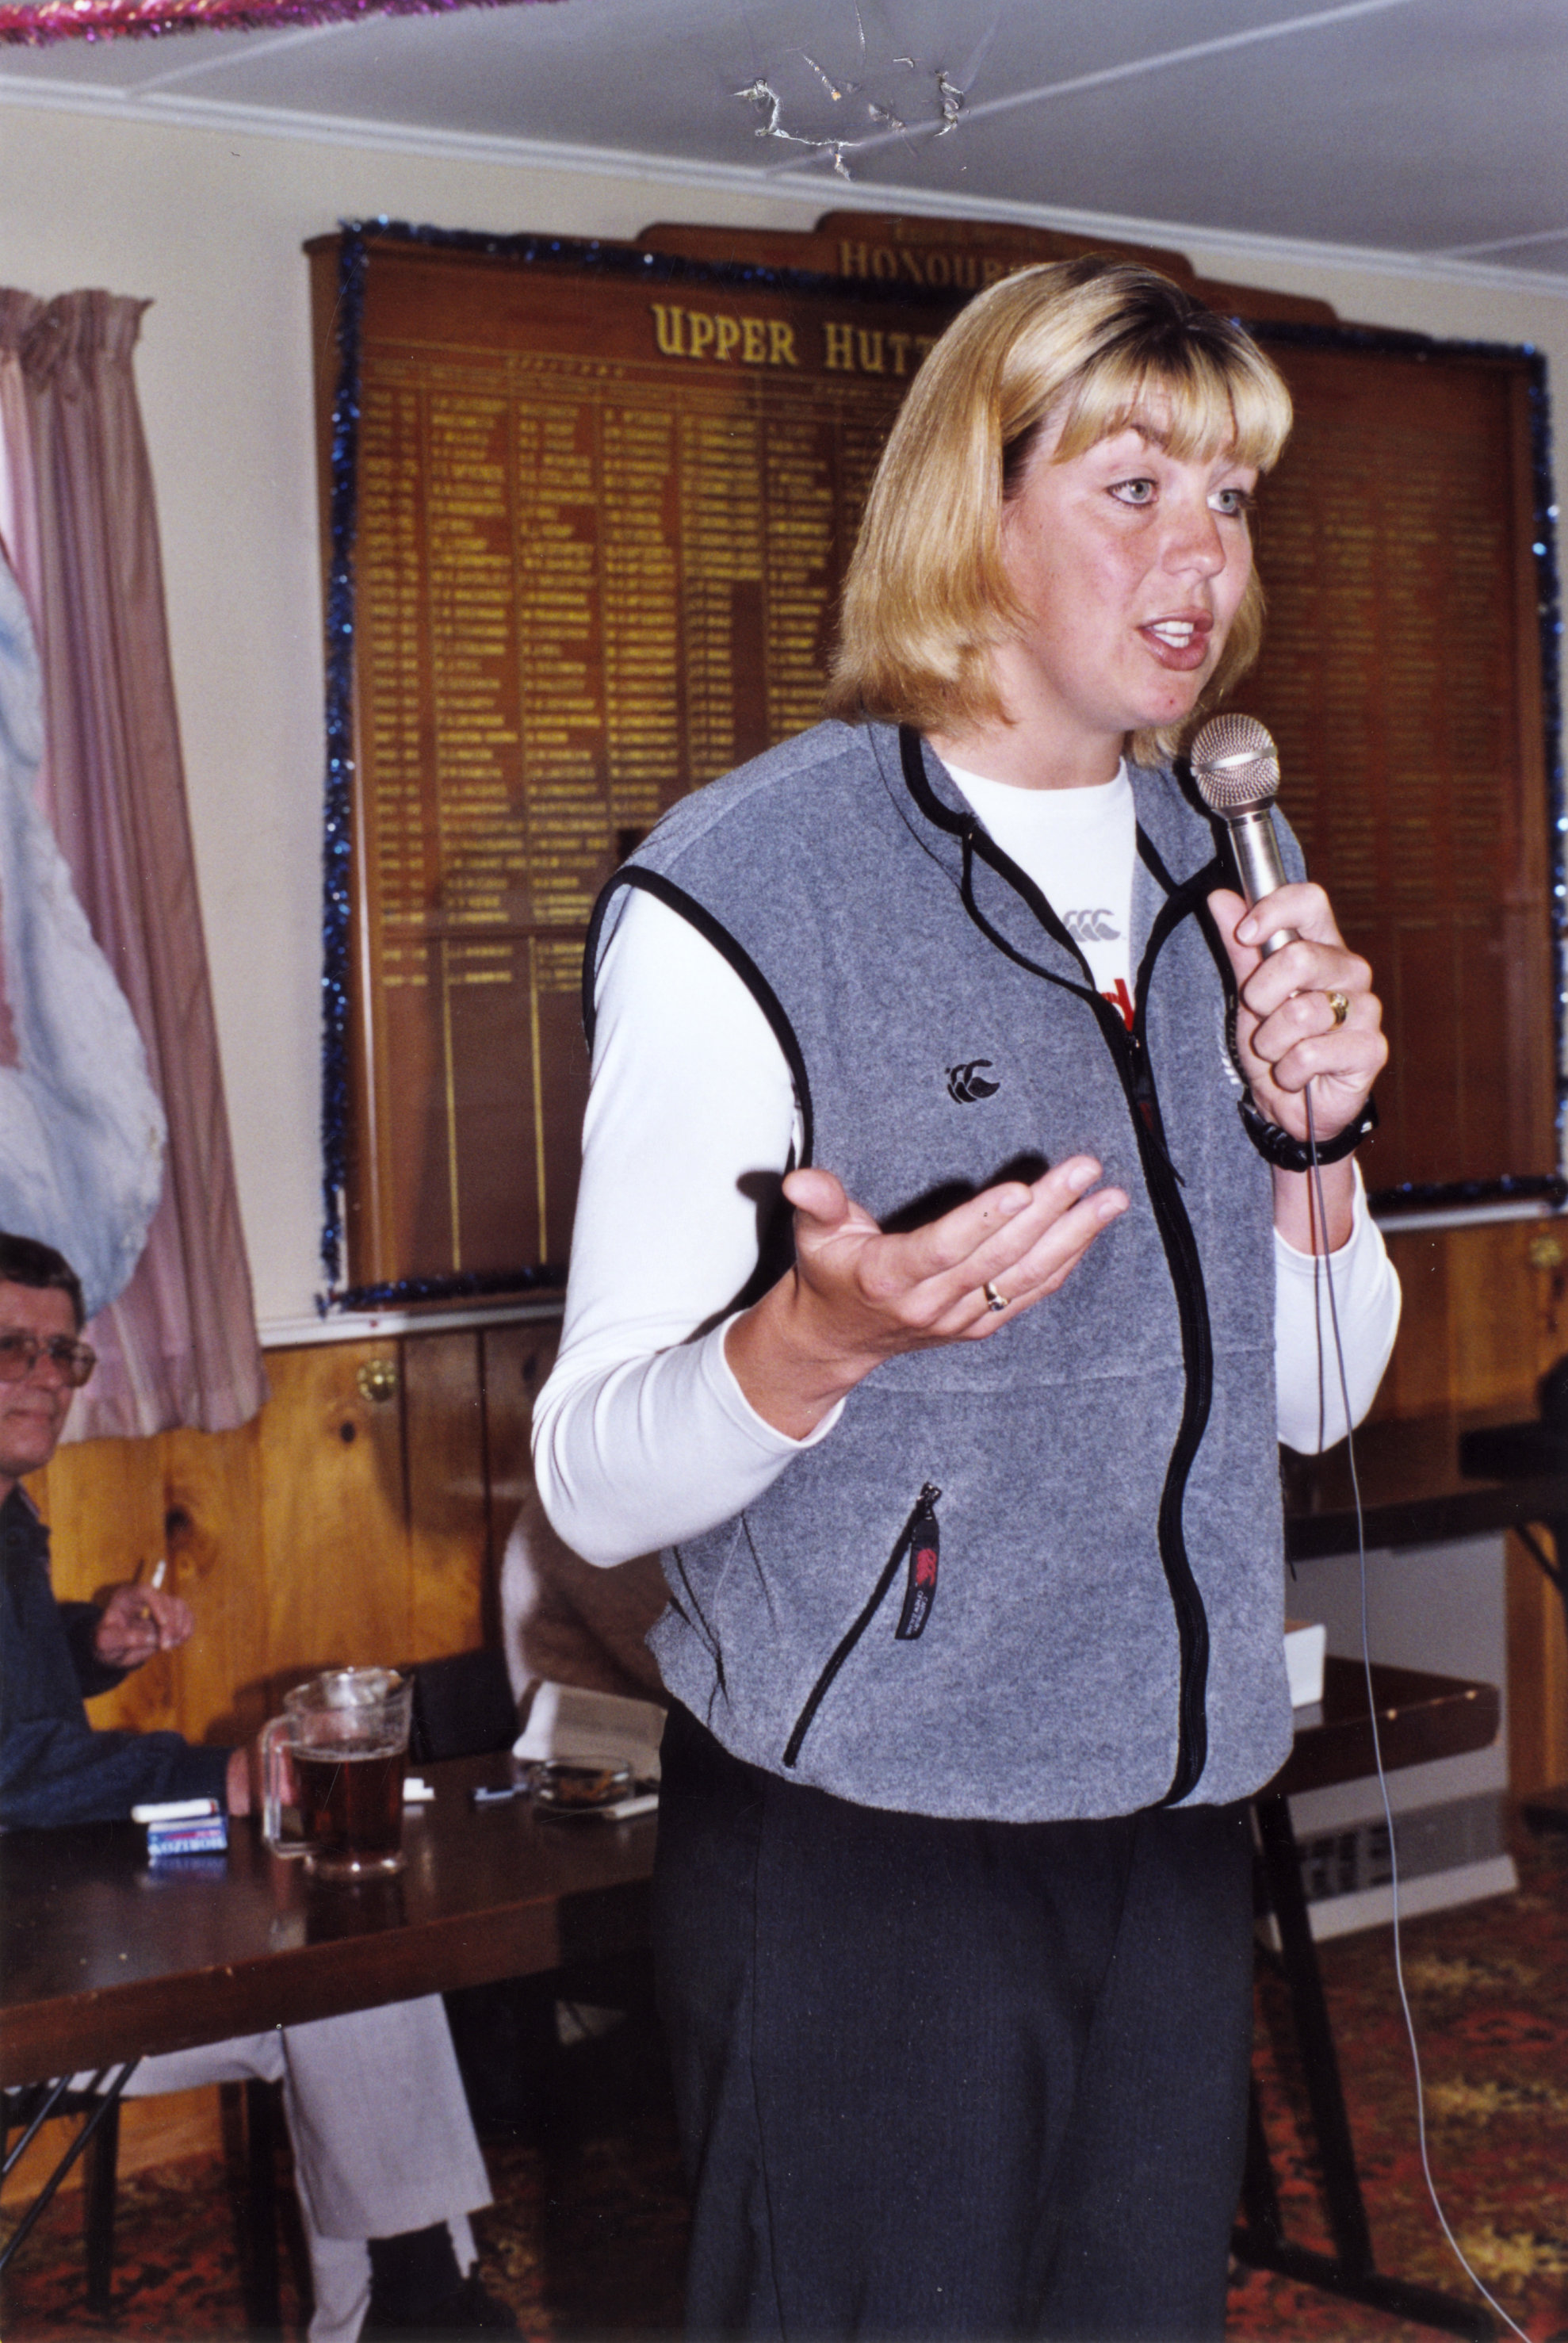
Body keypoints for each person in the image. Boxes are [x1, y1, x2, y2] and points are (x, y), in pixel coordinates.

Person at [533, 258, 1400, 2339]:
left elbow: (1313, 1400)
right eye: (1135, 488)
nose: (1201, 557)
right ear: (970, 509)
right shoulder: (750, 887)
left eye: (1234, 499)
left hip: (1171, 1807)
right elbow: (591, 1469)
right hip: (871, 1846)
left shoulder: (1233, 876)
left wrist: (1319, 1142)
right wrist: (821, 1336)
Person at [0, 1231, 518, 2341]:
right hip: (16, 1974)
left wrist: (88, 1638)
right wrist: (212, 1774)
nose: (44, 1378)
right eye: (12, 1351)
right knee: (335, 1969)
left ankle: (409, 2304)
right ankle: (421, 2302)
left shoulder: (7, 1511)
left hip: (34, 1911)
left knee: (340, 1958)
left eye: (62, 1355)